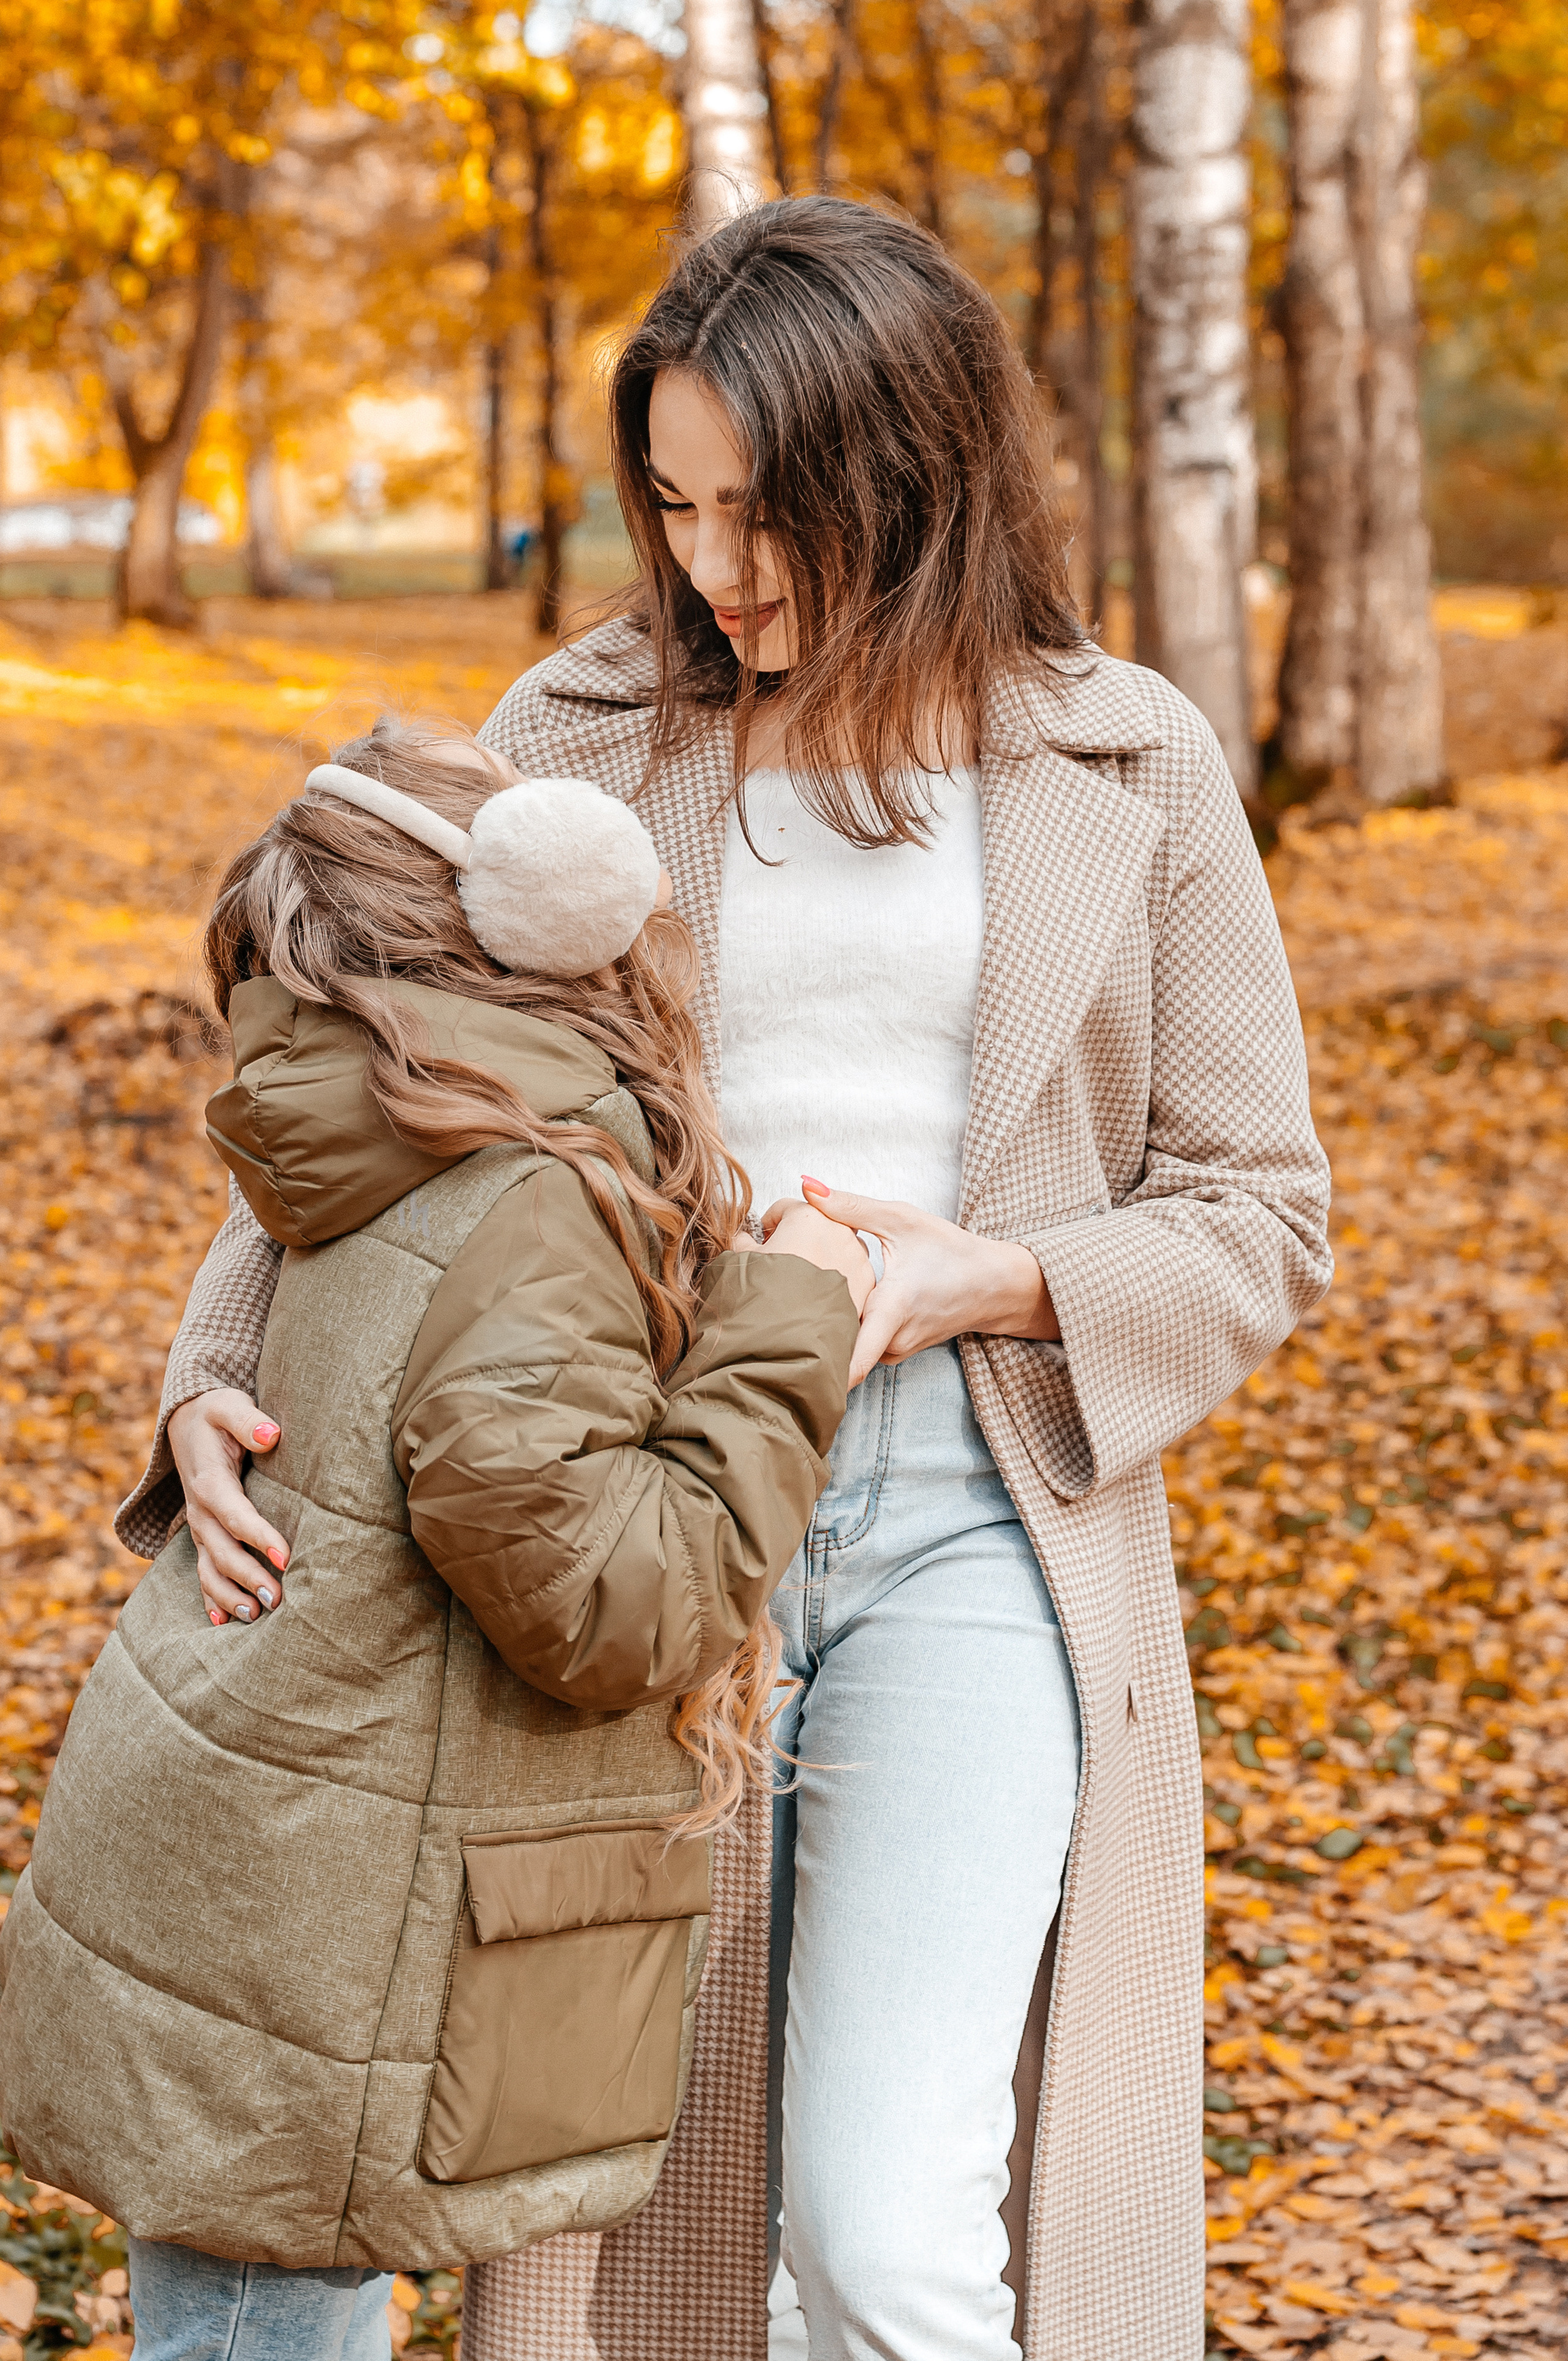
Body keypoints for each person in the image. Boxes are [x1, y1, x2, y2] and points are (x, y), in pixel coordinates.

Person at [111, 199, 1332, 2361]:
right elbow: (385, 1088)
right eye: (672, 505)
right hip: (620, 1537)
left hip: (978, 1529)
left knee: (886, 2230)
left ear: (918, 477)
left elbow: (1259, 1208)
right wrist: (216, 1374)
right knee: (621, 2226)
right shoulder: (577, 734)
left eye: (766, 513)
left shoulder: (1127, 762)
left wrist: (997, 1279)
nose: (711, 568)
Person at [0, 723, 870, 2361]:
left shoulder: (366, 1137)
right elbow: (613, 1602)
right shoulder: (530, 1194)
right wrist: (790, 1317)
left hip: (240, 1864)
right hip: (307, 1948)